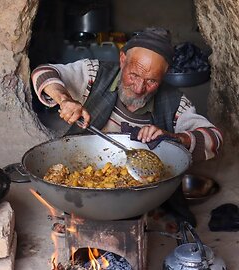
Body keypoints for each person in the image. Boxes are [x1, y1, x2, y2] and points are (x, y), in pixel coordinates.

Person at [31, 27, 223, 225]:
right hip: (83, 198)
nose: (140, 88)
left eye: (151, 81)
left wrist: (174, 138)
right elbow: (43, 72)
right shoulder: (94, 74)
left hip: (142, 200)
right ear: (122, 59)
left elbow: (214, 139)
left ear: (164, 75)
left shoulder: (175, 103)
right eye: (134, 75)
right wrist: (64, 99)